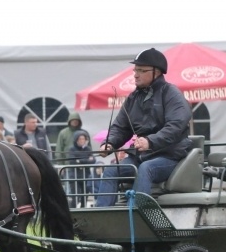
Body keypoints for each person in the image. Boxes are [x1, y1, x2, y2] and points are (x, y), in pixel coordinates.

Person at [95, 48, 193, 207]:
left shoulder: (171, 93)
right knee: (111, 170)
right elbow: (121, 127)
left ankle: (137, 217)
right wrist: (110, 143)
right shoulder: (133, 98)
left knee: (146, 169)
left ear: (157, 72)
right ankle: (100, 221)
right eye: (135, 70)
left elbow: (176, 125)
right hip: (140, 157)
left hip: (169, 156)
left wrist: (150, 141)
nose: (135, 74)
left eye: (141, 70)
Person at [68, 130, 96, 207]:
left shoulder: (88, 149)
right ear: (76, 140)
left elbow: (93, 160)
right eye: (80, 139)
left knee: (85, 196)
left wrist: (79, 161)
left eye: (83, 139)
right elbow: (72, 161)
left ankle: (83, 212)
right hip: (74, 176)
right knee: (75, 197)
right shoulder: (72, 149)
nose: (82, 141)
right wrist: (86, 160)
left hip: (86, 176)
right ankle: (72, 212)